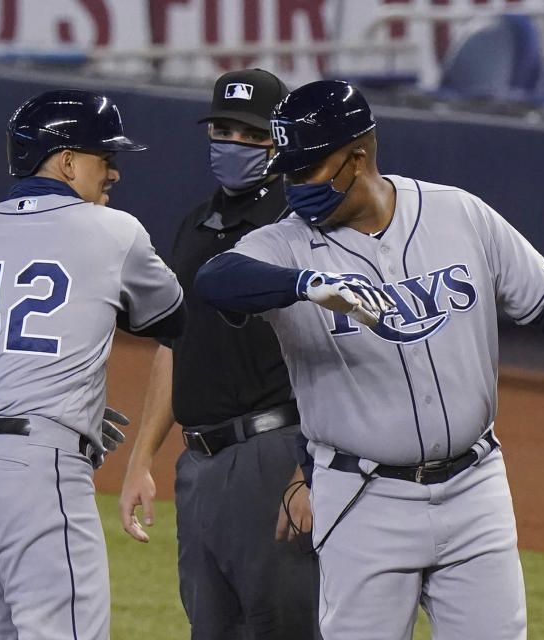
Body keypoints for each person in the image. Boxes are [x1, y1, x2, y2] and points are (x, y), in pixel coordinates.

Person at [192, 80, 544, 640]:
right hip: (361, 499)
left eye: (308, 171)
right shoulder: (285, 245)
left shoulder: (458, 214)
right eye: (289, 173)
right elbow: (215, 280)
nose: (295, 187)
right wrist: (304, 284)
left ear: (359, 155)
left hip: (475, 490)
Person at [0, 89, 185, 640]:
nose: (115, 174)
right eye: (107, 158)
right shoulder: (114, 231)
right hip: (36, 479)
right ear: (68, 161)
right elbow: (175, 322)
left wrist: (21, 400)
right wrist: (47, 410)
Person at [119, 68, 320, 639]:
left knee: (285, 627)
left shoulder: (298, 227)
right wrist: (143, 458)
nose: (234, 144)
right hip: (199, 464)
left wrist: (310, 471)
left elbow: (339, 354)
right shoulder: (197, 224)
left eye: (251, 135)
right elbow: (174, 343)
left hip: (274, 455)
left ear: (280, 141)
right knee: (210, 627)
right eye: (224, 129)